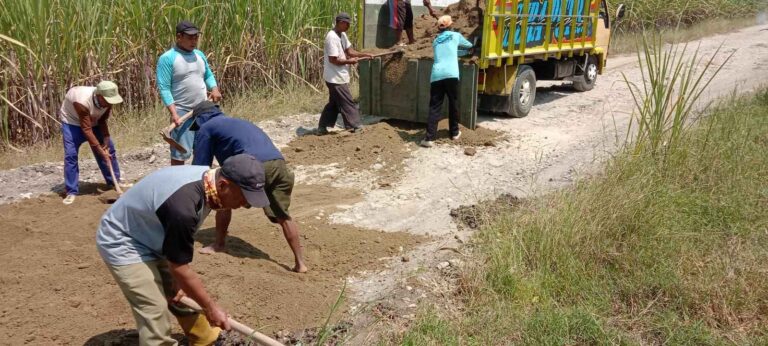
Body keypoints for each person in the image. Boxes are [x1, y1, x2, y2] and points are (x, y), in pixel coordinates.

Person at [97, 154, 269, 345]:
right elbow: (179, 267)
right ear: (223, 185)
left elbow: (178, 266)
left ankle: (206, 341)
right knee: (154, 308)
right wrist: (211, 307)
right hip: (124, 239)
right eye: (244, 198)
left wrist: (182, 283)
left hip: (155, 234)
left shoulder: (207, 182)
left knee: (184, 293)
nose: (245, 205)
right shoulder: (183, 206)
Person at [190, 102, 307, 273]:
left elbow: (200, 168)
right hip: (279, 164)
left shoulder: (206, 127)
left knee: (222, 194)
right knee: (283, 215)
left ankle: (219, 245)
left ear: (200, 119)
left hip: (254, 165)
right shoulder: (238, 122)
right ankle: (300, 263)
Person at [157, 20, 222, 166]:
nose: (194, 41)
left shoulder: (199, 55)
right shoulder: (167, 58)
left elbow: (208, 75)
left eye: (196, 37)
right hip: (182, 112)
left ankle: (199, 181)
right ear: (179, 37)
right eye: (190, 37)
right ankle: (177, 183)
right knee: (180, 154)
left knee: (203, 149)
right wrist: (174, 113)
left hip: (203, 111)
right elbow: (164, 88)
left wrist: (215, 88)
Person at [59, 81, 127, 205]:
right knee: (71, 155)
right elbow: (86, 129)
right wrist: (100, 150)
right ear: (99, 96)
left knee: (109, 149)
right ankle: (71, 191)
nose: (109, 104)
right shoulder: (82, 101)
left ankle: (114, 182)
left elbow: (102, 120)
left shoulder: (109, 100)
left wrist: (106, 138)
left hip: (93, 121)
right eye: (107, 101)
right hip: (72, 122)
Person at [420, 15, 473, 148]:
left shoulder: (436, 40)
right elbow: (469, 45)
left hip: (436, 75)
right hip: (451, 74)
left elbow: (446, 52)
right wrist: (468, 50)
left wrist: (457, 52)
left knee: (434, 107)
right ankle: (454, 133)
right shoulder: (456, 36)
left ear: (439, 28)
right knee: (453, 103)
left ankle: (429, 138)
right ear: (451, 25)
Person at [317, 12, 373, 135]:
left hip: (339, 75)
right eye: (347, 24)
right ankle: (355, 125)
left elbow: (350, 51)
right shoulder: (331, 37)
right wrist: (350, 61)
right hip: (334, 77)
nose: (348, 26)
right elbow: (333, 59)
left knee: (334, 103)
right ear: (341, 23)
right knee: (347, 101)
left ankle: (322, 127)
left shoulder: (342, 35)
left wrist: (365, 55)